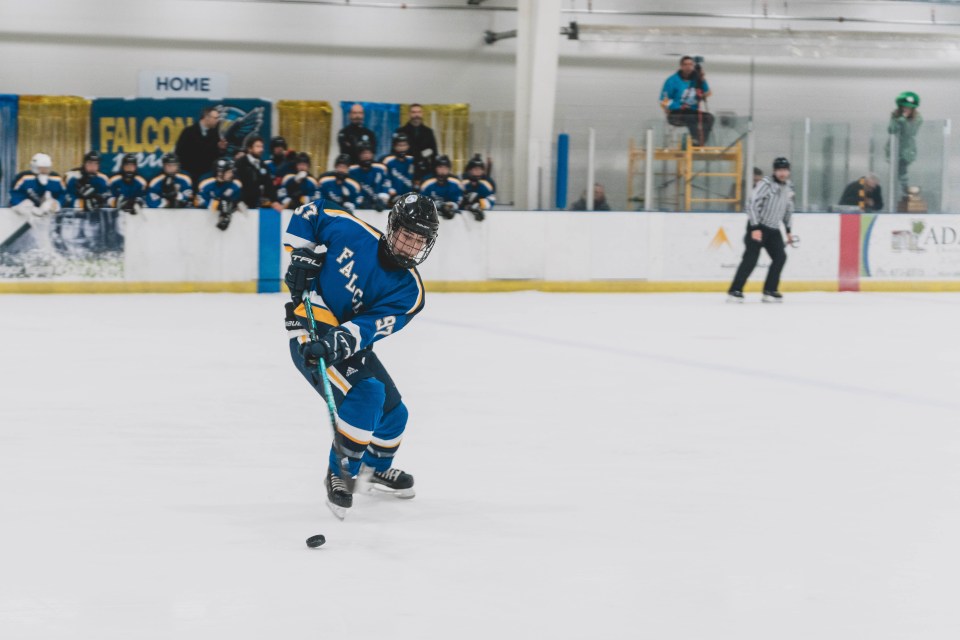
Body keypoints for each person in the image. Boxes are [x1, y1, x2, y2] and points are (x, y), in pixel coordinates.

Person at [282, 192, 439, 519]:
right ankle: (340, 472)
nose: (411, 246)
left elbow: (367, 328)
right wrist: (301, 254)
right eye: (407, 235)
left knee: (394, 413)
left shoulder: (409, 292)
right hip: (311, 325)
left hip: (343, 341)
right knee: (367, 395)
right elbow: (310, 210)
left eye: (419, 240)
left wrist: (335, 342)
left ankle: (372, 470)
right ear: (392, 226)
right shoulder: (352, 231)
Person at [727, 157, 797, 303]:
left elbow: (788, 209)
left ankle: (770, 290)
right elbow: (751, 204)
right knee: (751, 259)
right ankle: (735, 290)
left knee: (780, 257)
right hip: (758, 226)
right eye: (779, 170)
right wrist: (755, 227)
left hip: (774, 229)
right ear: (774, 171)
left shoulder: (789, 187)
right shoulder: (766, 184)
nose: (782, 173)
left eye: (785, 170)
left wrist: (788, 231)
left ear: (788, 171)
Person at [660, 55, 714, 146]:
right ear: (681, 66)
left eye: (690, 64)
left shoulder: (697, 79)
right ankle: (695, 140)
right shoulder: (671, 80)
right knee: (690, 117)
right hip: (676, 113)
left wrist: (702, 79)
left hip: (692, 112)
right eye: (685, 64)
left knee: (709, 118)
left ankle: (701, 142)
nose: (688, 67)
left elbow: (708, 92)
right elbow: (663, 100)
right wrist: (676, 106)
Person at [174, 106, 227, 188]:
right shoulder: (188, 132)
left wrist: (221, 149)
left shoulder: (216, 134)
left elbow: (217, 156)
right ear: (206, 117)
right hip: (191, 173)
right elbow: (179, 153)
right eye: (215, 118)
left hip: (208, 175)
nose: (217, 121)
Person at [887, 91, 922, 195]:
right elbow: (891, 130)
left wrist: (903, 120)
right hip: (894, 148)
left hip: (907, 149)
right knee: (896, 173)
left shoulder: (918, 118)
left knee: (902, 171)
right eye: (904, 107)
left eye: (909, 107)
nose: (906, 109)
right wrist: (900, 119)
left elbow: (911, 132)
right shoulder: (895, 116)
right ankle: (900, 192)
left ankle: (905, 191)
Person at [196, 158, 244, 230]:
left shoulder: (236, 184)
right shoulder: (206, 184)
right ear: (220, 173)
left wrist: (230, 209)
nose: (231, 174)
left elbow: (242, 206)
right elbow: (198, 201)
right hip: (201, 224)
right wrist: (215, 204)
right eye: (229, 172)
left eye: (232, 172)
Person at [395, 103, 438, 183]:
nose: (416, 115)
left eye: (418, 112)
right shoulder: (400, 131)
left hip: (424, 172)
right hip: (405, 171)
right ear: (409, 114)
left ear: (422, 114)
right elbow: (394, 153)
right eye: (414, 112)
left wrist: (434, 173)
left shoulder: (428, 132)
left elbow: (434, 154)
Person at [234, 134, 278, 210]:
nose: (261, 149)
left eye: (262, 146)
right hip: (241, 206)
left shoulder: (262, 164)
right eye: (257, 146)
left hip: (257, 206)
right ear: (249, 148)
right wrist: (238, 201)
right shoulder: (240, 164)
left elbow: (268, 184)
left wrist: (274, 201)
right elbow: (235, 184)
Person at [349, 142, 390, 212]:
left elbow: (385, 185)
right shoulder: (352, 171)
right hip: (359, 208)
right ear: (359, 155)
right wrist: (360, 200)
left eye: (369, 153)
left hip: (377, 206)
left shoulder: (379, 169)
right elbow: (351, 189)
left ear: (372, 154)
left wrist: (382, 200)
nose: (366, 156)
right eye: (364, 153)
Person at [380, 132, 415, 205]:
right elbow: (385, 180)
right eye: (399, 145)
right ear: (394, 147)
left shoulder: (413, 161)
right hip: (393, 199)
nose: (402, 148)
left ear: (408, 146)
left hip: (410, 199)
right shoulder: (388, 162)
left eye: (404, 145)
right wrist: (389, 191)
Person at [460, 154, 496, 221]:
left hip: (482, 218)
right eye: (475, 169)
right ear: (470, 171)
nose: (478, 172)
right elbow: (456, 199)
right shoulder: (463, 184)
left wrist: (479, 203)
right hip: (462, 218)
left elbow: (491, 201)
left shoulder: (486, 184)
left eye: (480, 170)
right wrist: (464, 203)